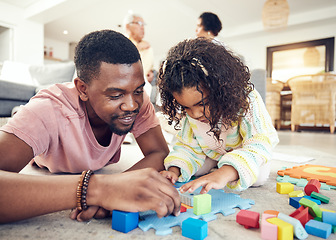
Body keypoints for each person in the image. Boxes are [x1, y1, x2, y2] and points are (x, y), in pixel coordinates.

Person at [0, 30, 180, 224]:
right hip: (46, 160)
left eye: (137, 90)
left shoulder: (139, 101)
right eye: (115, 95)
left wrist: (119, 186)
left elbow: (160, 153)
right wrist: (98, 189)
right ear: (83, 89)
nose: (131, 105)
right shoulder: (46, 110)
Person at [159, 38, 279, 195]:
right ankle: (220, 165)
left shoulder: (246, 100)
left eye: (202, 104)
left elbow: (261, 141)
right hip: (211, 154)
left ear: (220, 90)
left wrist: (224, 173)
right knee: (189, 168)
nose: (194, 114)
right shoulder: (192, 114)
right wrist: (174, 171)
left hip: (244, 152)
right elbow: (187, 146)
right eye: (186, 107)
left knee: (259, 177)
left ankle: (228, 166)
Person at [123, 12, 154, 88]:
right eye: (139, 23)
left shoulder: (147, 46)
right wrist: (137, 47)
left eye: (143, 24)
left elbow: (150, 68)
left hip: (145, 86)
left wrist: (151, 73)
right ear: (127, 26)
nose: (142, 27)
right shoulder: (120, 42)